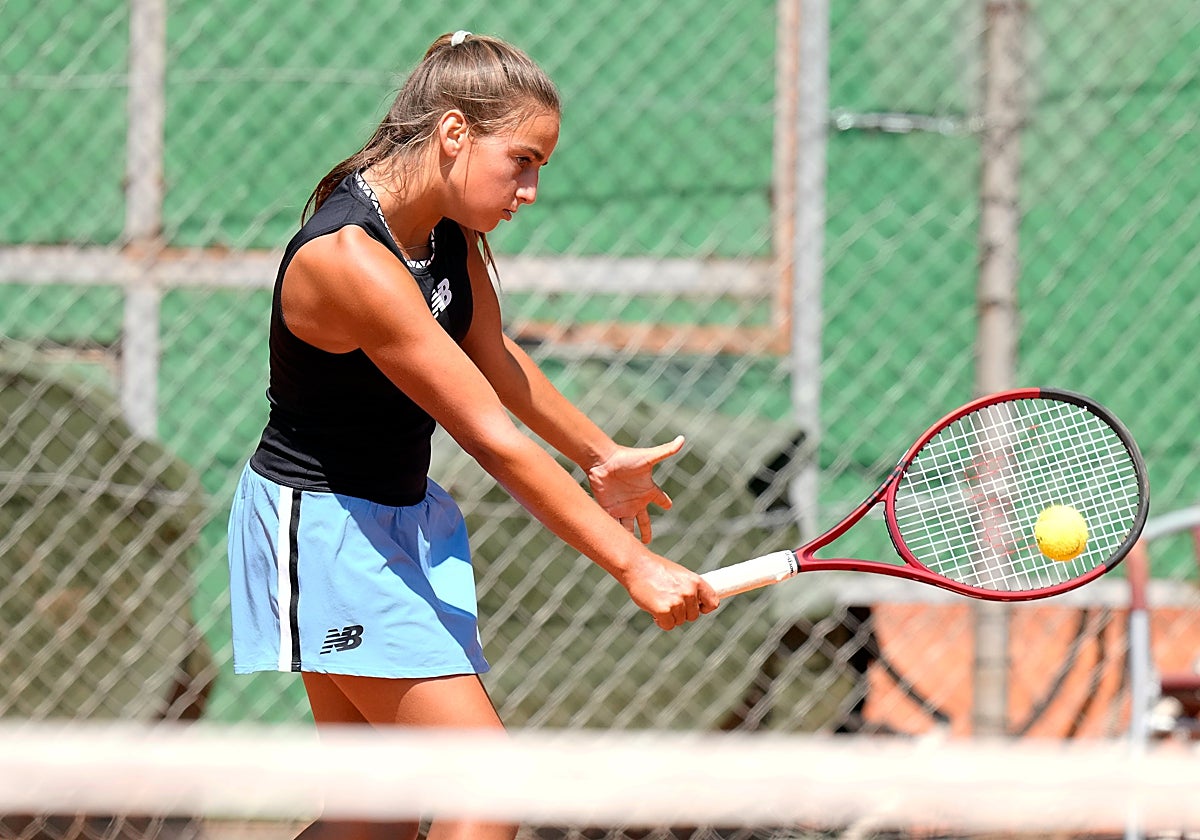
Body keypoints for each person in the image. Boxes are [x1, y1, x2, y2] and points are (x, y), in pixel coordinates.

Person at [226, 30, 720, 840]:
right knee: (485, 787)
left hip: (393, 518)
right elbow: (492, 437)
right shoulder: (350, 260)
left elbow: (492, 355)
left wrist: (599, 455)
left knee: (370, 821)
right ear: (454, 134)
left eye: (541, 168)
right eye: (522, 160)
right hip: (323, 530)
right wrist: (633, 563)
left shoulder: (447, 228)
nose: (530, 188)